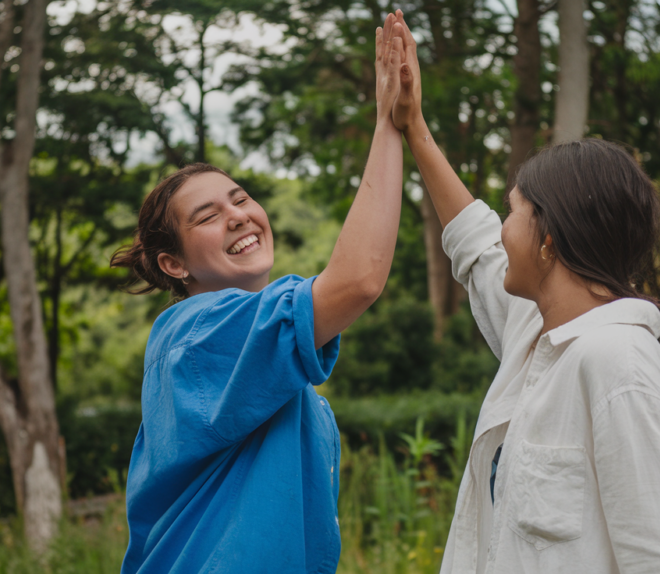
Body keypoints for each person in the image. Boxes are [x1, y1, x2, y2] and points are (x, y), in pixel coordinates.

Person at [388, 11, 660, 574]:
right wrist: (413, 125)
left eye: (513, 210)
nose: (502, 226)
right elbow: (473, 244)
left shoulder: (617, 363)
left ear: (548, 240)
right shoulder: (538, 332)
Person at [110, 14, 405, 573]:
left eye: (240, 198)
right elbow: (360, 279)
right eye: (208, 216)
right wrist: (388, 125)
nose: (239, 216)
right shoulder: (196, 333)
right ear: (174, 264)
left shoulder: (280, 380)